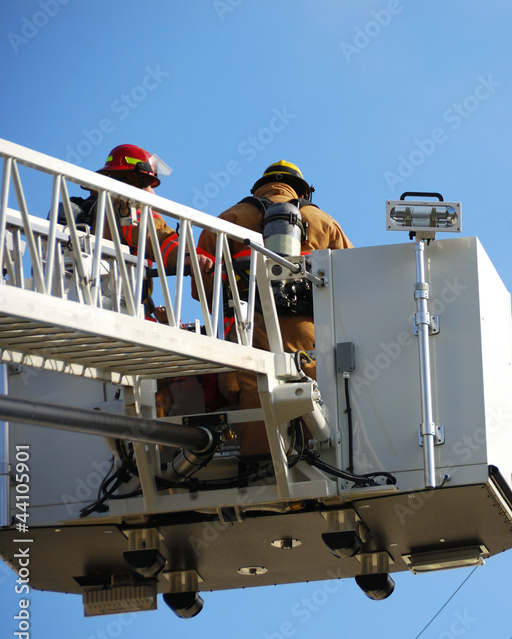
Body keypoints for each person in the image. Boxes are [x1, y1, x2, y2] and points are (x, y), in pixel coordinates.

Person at [195, 160, 353, 456]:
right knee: (310, 389)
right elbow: (352, 282)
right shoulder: (323, 221)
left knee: (256, 390)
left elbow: (201, 288)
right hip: (309, 332)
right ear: (303, 191)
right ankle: (316, 459)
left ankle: (258, 466)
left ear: (258, 188)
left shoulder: (229, 218)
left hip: (249, 329)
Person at [66, 144, 212, 275]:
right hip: (120, 289)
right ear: (135, 181)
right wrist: (184, 255)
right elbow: (152, 233)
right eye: (148, 185)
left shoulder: (100, 206)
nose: (153, 193)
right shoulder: (127, 202)